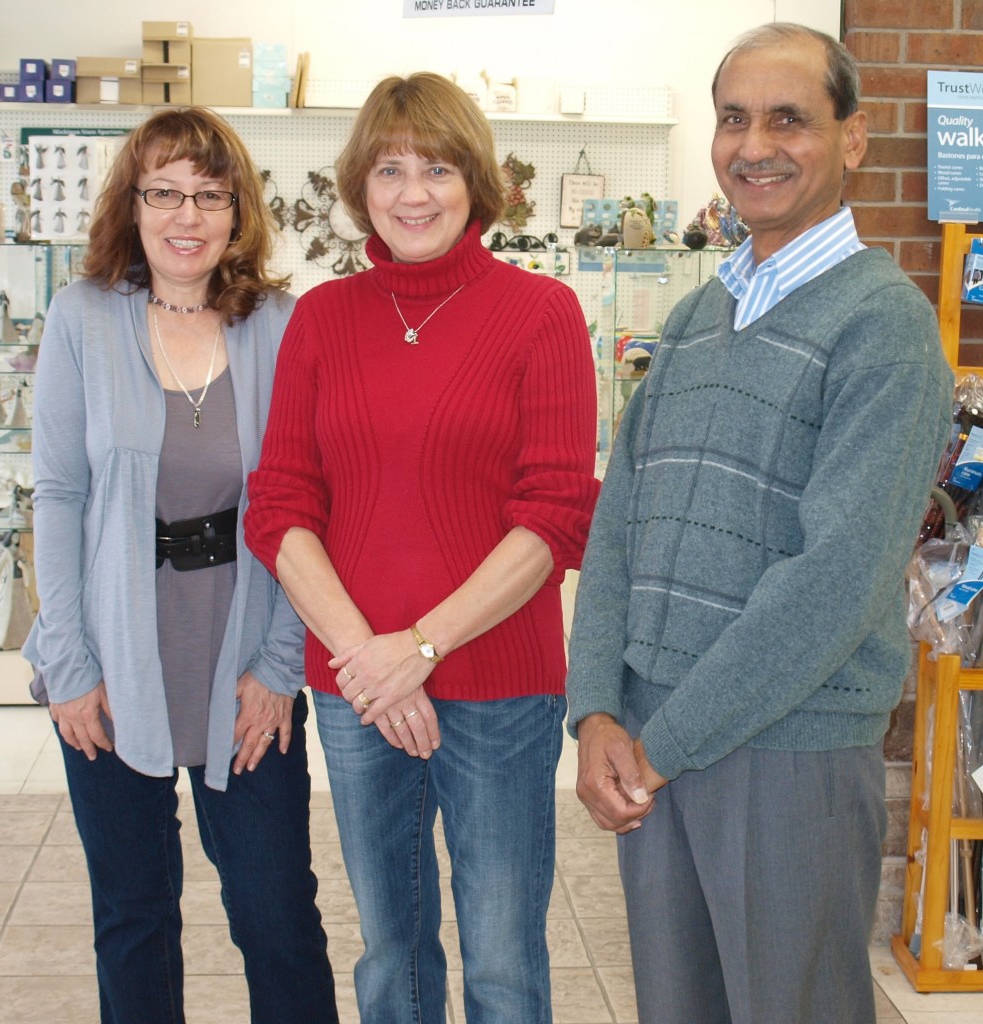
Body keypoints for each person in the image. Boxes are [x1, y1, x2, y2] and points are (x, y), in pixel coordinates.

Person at [566, 23, 954, 1024]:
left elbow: (835, 582)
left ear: (853, 139)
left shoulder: (885, 325)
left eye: (789, 118)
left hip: (787, 750)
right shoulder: (699, 317)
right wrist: (598, 709)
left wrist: (664, 740)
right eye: (733, 118)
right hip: (654, 735)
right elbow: (622, 518)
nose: (754, 145)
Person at [244, 72, 599, 1023]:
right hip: (356, 686)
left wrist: (421, 650)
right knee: (389, 950)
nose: (412, 192)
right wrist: (371, 661)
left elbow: (555, 512)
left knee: (500, 954)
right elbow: (280, 503)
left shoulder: (542, 313)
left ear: (474, 182)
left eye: (436, 167)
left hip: (501, 687)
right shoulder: (322, 318)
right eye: (389, 168)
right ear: (361, 185)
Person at [22, 107, 339, 1024]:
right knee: (133, 915)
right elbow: (62, 494)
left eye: (209, 194)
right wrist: (72, 665)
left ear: (238, 213)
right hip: (115, 648)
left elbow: (302, 504)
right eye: (164, 192)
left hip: (243, 648)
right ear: (134, 204)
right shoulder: (83, 315)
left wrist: (279, 668)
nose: (186, 216)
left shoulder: (280, 325)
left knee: (277, 914)